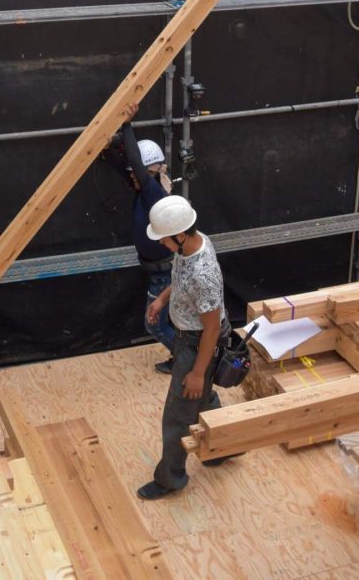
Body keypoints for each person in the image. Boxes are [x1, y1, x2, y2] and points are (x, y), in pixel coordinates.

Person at [137, 195, 235, 500]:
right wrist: (162, 299)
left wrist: (196, 371)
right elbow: (180, 280)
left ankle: (170, 479)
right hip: (188, 337)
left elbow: (212, 329)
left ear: (180, 235)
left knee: (178, 415)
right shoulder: (194, 243)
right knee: (202, 398)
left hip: (200, 342)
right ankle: (224, 445)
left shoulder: (203, 275)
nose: (162, 245)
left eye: (164, 239)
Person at [103, 101, 175, 373]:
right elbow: (128, 164)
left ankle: (184, 360)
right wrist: (112, 146)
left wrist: (127, 123)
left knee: (153, 324)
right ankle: (184, 356)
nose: (130, 176)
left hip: (164, 273)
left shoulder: (153, 193)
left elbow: (135, 162)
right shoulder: (143, 190)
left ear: (149, 171)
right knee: (166, 321)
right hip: (157, 271)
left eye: (135, 172)